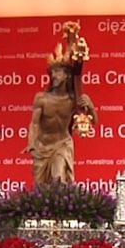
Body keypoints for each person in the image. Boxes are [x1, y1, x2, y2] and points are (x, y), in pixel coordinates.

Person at [23, 22, 96, 185]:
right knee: (41, 189)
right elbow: (35, 123)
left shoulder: (72, 100)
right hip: (43, 146)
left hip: (62, 144)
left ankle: (64, 209)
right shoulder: (41, 98)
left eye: (59, 72)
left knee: (59, 178)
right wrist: (31, 142)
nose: (55, 76)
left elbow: (92, 121)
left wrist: (91, 107)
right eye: (53, 72)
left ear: (67, 76)